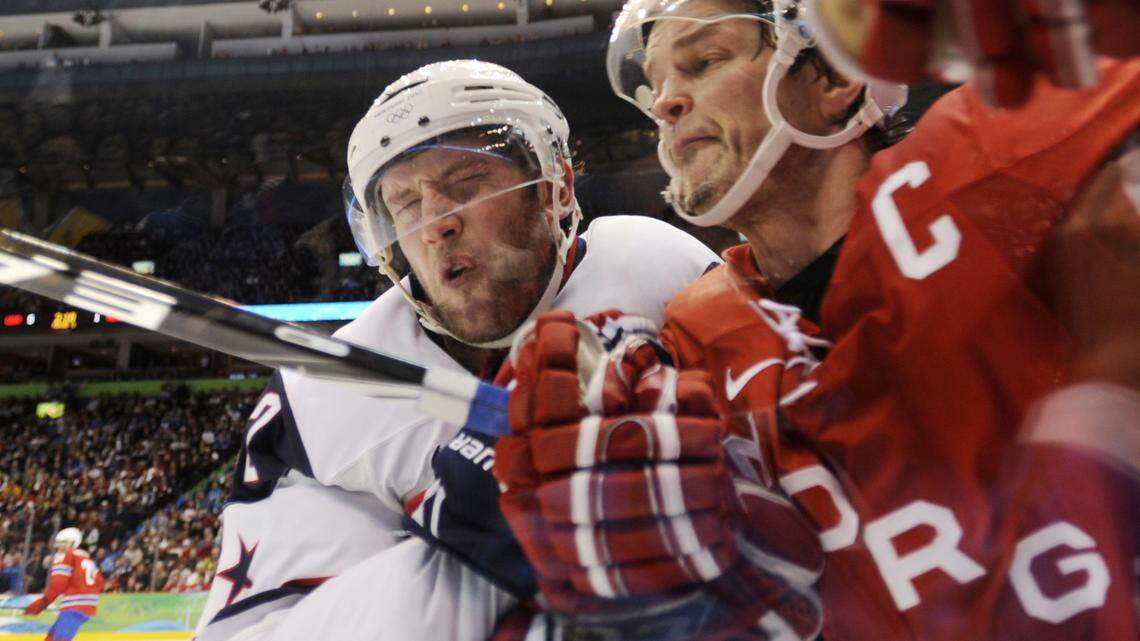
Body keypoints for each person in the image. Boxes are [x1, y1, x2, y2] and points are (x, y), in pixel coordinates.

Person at [490, 0, 1139, 639]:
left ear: (832, 76)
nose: (664, 103)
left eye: (704, 61)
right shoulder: (692, 342)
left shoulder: (1002, 152)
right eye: (656, 85)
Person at [193, 60, 722, 641]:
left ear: (557, 187)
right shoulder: (321, 400)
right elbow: (256, 632)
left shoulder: (664, 272)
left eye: (465, 182)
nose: (434, 224)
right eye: (405, 204)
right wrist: (467, 538)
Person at [23, 527, 105, 641]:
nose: (58, 547)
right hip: (88, 606)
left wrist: (43, 603)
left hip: (73, 606)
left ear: (72, 543)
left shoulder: (64, 556)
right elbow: (100, 584)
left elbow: (57, 586)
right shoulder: (86, 558)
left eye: (62, 543)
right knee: (51, 638)